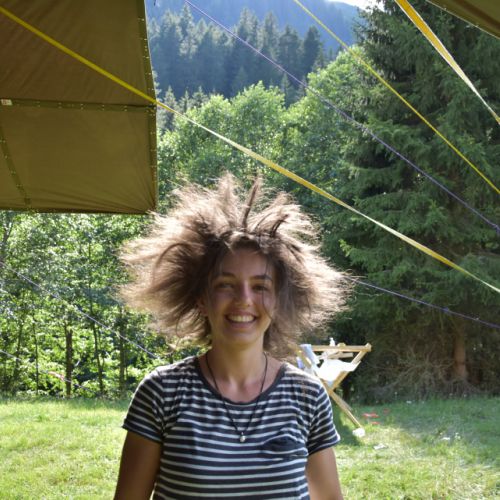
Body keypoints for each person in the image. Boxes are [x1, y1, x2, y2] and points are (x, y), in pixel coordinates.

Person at [114, 173, 348, 499]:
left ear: (278, 301)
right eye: (226, 284)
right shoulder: (161, 393)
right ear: (201, 298)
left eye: (260, 286)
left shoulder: (307, 397)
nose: (244, 300)